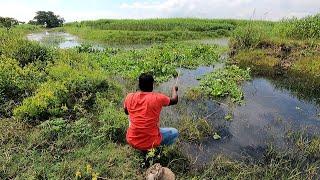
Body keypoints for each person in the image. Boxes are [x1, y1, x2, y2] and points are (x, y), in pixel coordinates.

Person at [124, 73, 179, 151]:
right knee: (175, 132)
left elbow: (126, 112)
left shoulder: (129, 96)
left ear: (139, 85)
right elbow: (174, 100)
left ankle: (143, 144)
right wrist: (174, 90)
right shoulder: (158, 97)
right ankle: (158, 150)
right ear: (152, 85)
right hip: (151, 143)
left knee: (131, 118)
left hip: (132, 141)